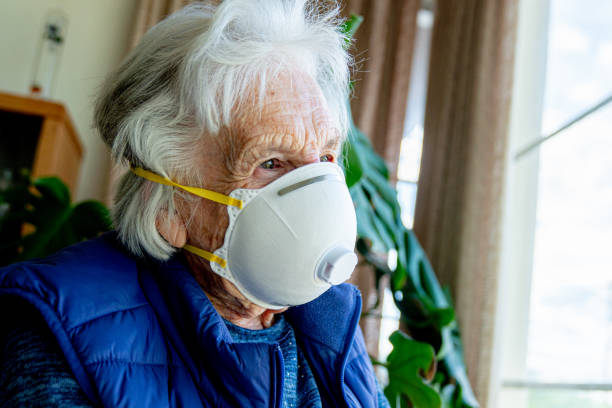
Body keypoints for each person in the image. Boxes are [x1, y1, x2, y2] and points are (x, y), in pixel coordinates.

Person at [0, 1, 390, 406]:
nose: (317, 197)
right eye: (270, 163)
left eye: (325, 159)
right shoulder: (54, 334)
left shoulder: (329, 324)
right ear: (170, 204)